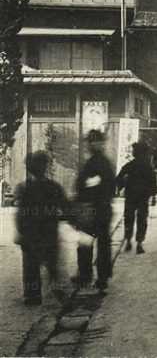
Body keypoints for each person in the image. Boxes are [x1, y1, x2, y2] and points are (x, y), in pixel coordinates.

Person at [14, 151, 69, 305]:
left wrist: (20, 232)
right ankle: (57, 288)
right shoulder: (54, 187)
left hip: (30, 235)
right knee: (52, 264)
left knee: (31, 266)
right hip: (49, 233)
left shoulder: (22, 188)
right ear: (45, 167)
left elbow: (20, 215)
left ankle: (32, 296)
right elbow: (66, 208)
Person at [72, 129, 116, 291]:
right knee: (103, 244)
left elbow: (85, 186)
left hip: (91, 209)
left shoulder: (95, 163)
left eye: (93, 141)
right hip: (103, 209)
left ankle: (85, 274)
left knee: (85, 243)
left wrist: (81, 198)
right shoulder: (105, 163)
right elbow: (112, 186)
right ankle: (102, 277)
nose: (91, 144)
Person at [116, 142, 157, 255]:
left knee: (129, 218)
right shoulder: (148, 167)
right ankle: (139, 243)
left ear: (136, 153)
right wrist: (153, 196)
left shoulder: (130, 165)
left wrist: (120, 188)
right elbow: (153, 181)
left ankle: (128, 240)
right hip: (143, 197)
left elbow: (119, 178)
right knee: (142, 219)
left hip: (131, 196)